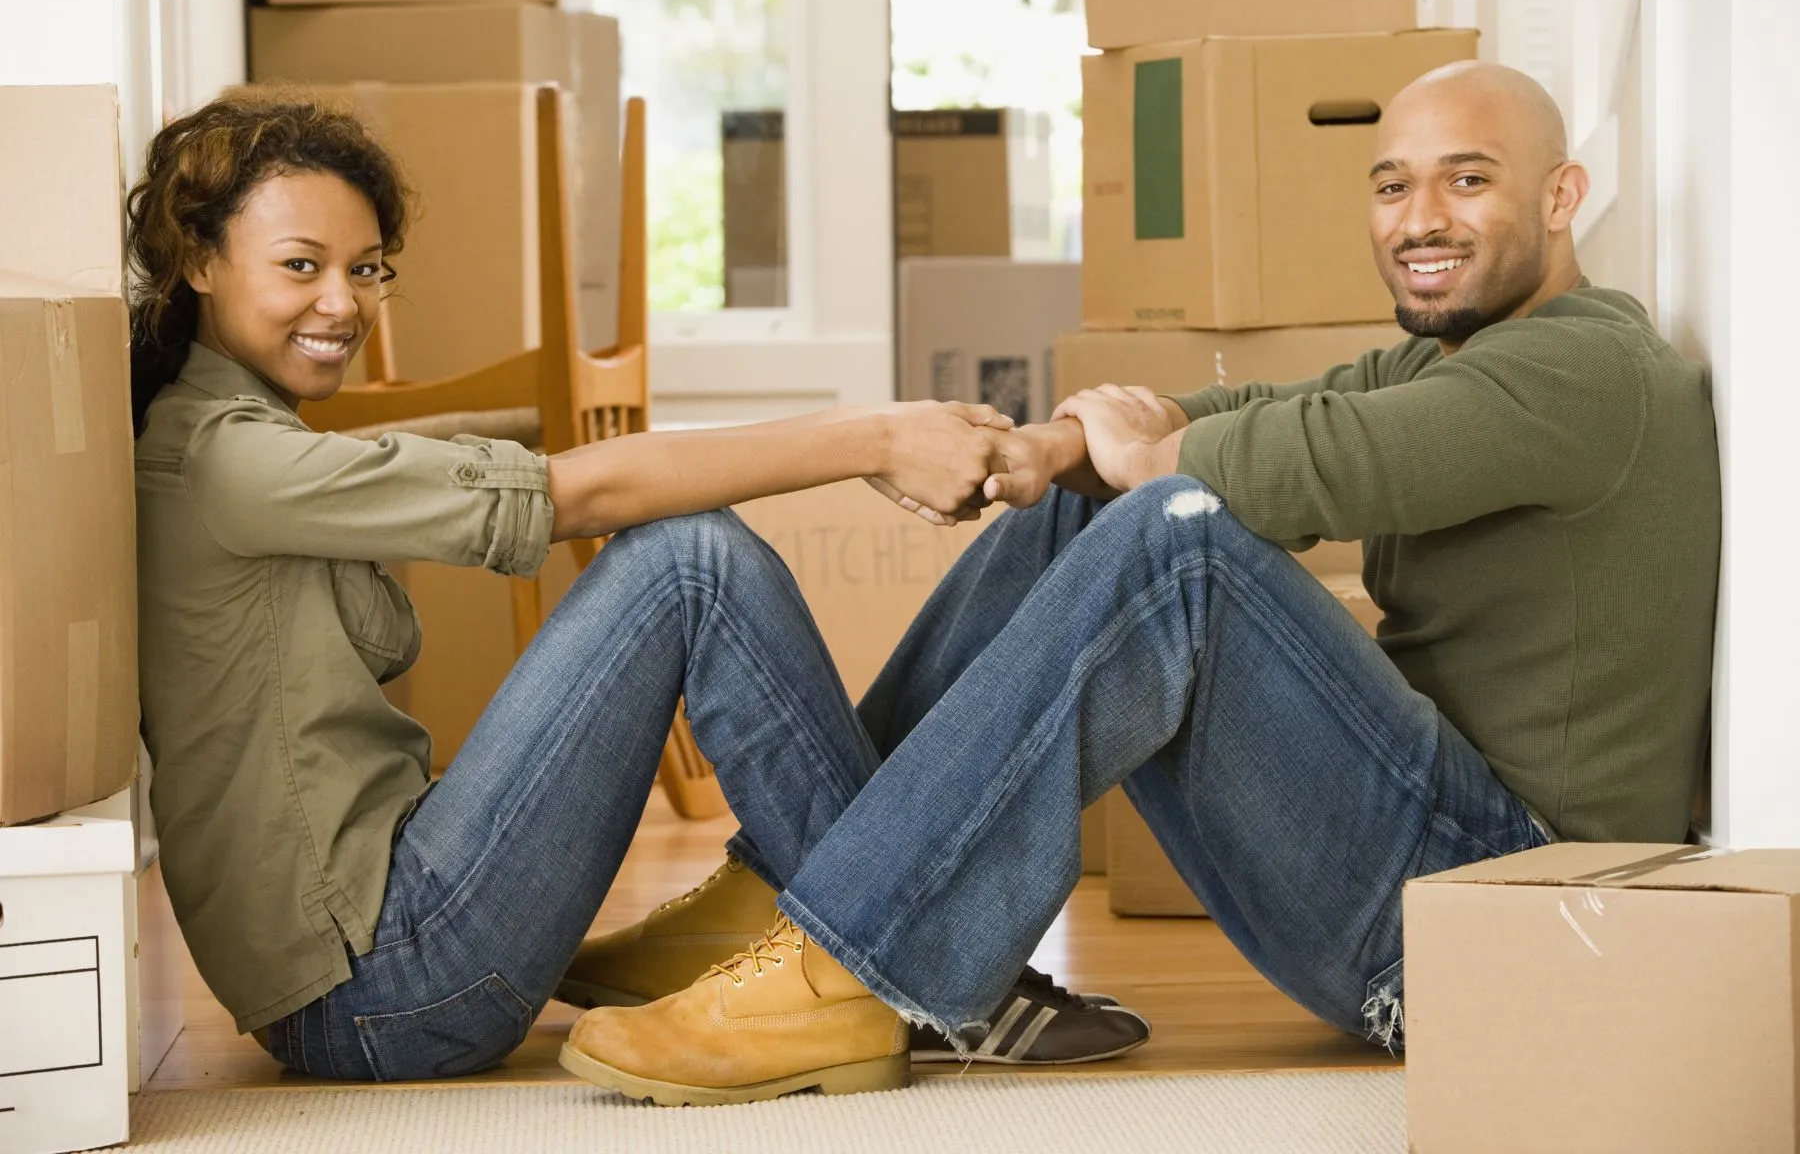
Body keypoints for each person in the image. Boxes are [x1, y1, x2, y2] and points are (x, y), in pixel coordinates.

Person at [559, 60, 1721, 1105]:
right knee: (1107, 502)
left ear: (1562, 197)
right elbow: (1277, 409)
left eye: (1468, 182)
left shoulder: (1588, 369)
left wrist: (1152, 462)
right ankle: (790, 889)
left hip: (1506, 925)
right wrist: (1065, 450)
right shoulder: (1457, 354)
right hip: (1422, 885)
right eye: (1392, 186)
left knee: (1178, 531)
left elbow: (1326, 461)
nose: (1420, 219)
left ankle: (853, 966)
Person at [130, 88, 1147, 1086]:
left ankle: (853, 922)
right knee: (687, 563)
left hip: (382, 941)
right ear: (199, 262)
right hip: (381, 990)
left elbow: (439, 469)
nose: (342, 304)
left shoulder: (232, 441)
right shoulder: (227, 463)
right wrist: (874, 434)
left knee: (764, 543)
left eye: (366, 269)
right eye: (301, 267)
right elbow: (583, 496)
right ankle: (920, 967)